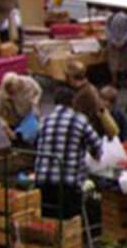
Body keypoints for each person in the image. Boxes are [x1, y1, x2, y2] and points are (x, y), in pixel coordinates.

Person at [34, 87, 102, 219]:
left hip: (42, 182)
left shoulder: (44, 120)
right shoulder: (79, 120)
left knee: (49, 219)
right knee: (69, 222)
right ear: (72, 102)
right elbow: (97, 148)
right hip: (67, 185)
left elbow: (37, 144)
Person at [0, 72, 42, 147]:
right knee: (18, 145)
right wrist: (7, 129)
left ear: (18, 84)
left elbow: (38, 91)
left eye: (13, 91)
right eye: (10, 92)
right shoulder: (2, 94)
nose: (12, 94)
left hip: (29, 118)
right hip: (13, 123)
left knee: (36, 142)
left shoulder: (29, 82)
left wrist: (35, 101)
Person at [66, 60, 108, 138]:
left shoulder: (83, 94)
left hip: (90, 132)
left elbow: (77, 117)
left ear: (71, 77)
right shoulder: (89, 88)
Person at [106, 10, 127, 89]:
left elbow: (107, 30)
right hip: (126, 45)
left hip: (113, 45)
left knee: (114, 63)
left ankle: (114, 82)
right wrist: (122, 41)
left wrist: (113, 41)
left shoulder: (110, 17)